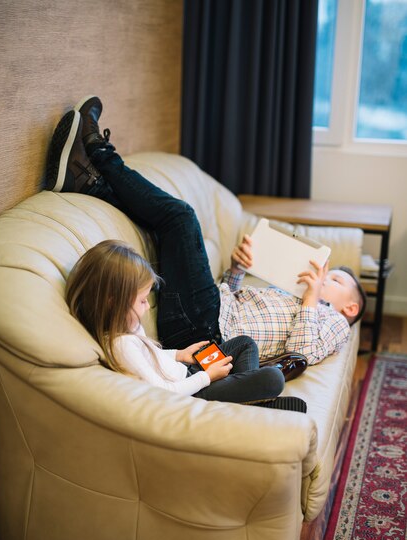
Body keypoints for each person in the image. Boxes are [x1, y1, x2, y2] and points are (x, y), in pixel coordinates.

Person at [45, 95, 366, 371]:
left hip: (207, 335)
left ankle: (99, 153)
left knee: (181, 218)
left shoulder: (334, 323)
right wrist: (237, 271)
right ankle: (88, 183)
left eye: (334, 280)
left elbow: (302, 354)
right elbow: (235, 305)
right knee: (162, 231)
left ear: (349, 308)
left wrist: (311, 297)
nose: (323, 278)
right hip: (209, 313)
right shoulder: (295, 296)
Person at [64, 238, 306, 412]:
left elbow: (153, 357)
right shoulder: (121, 345)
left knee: (244, 344)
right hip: (192, 393)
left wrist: (180, 355)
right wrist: (207, 378)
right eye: (141, 300)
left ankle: (252, 402)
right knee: (273, 378)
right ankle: (256, 403)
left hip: (190, 373)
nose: (147, 306)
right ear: (111, 302)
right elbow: (163, 393)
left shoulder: (128, 326)